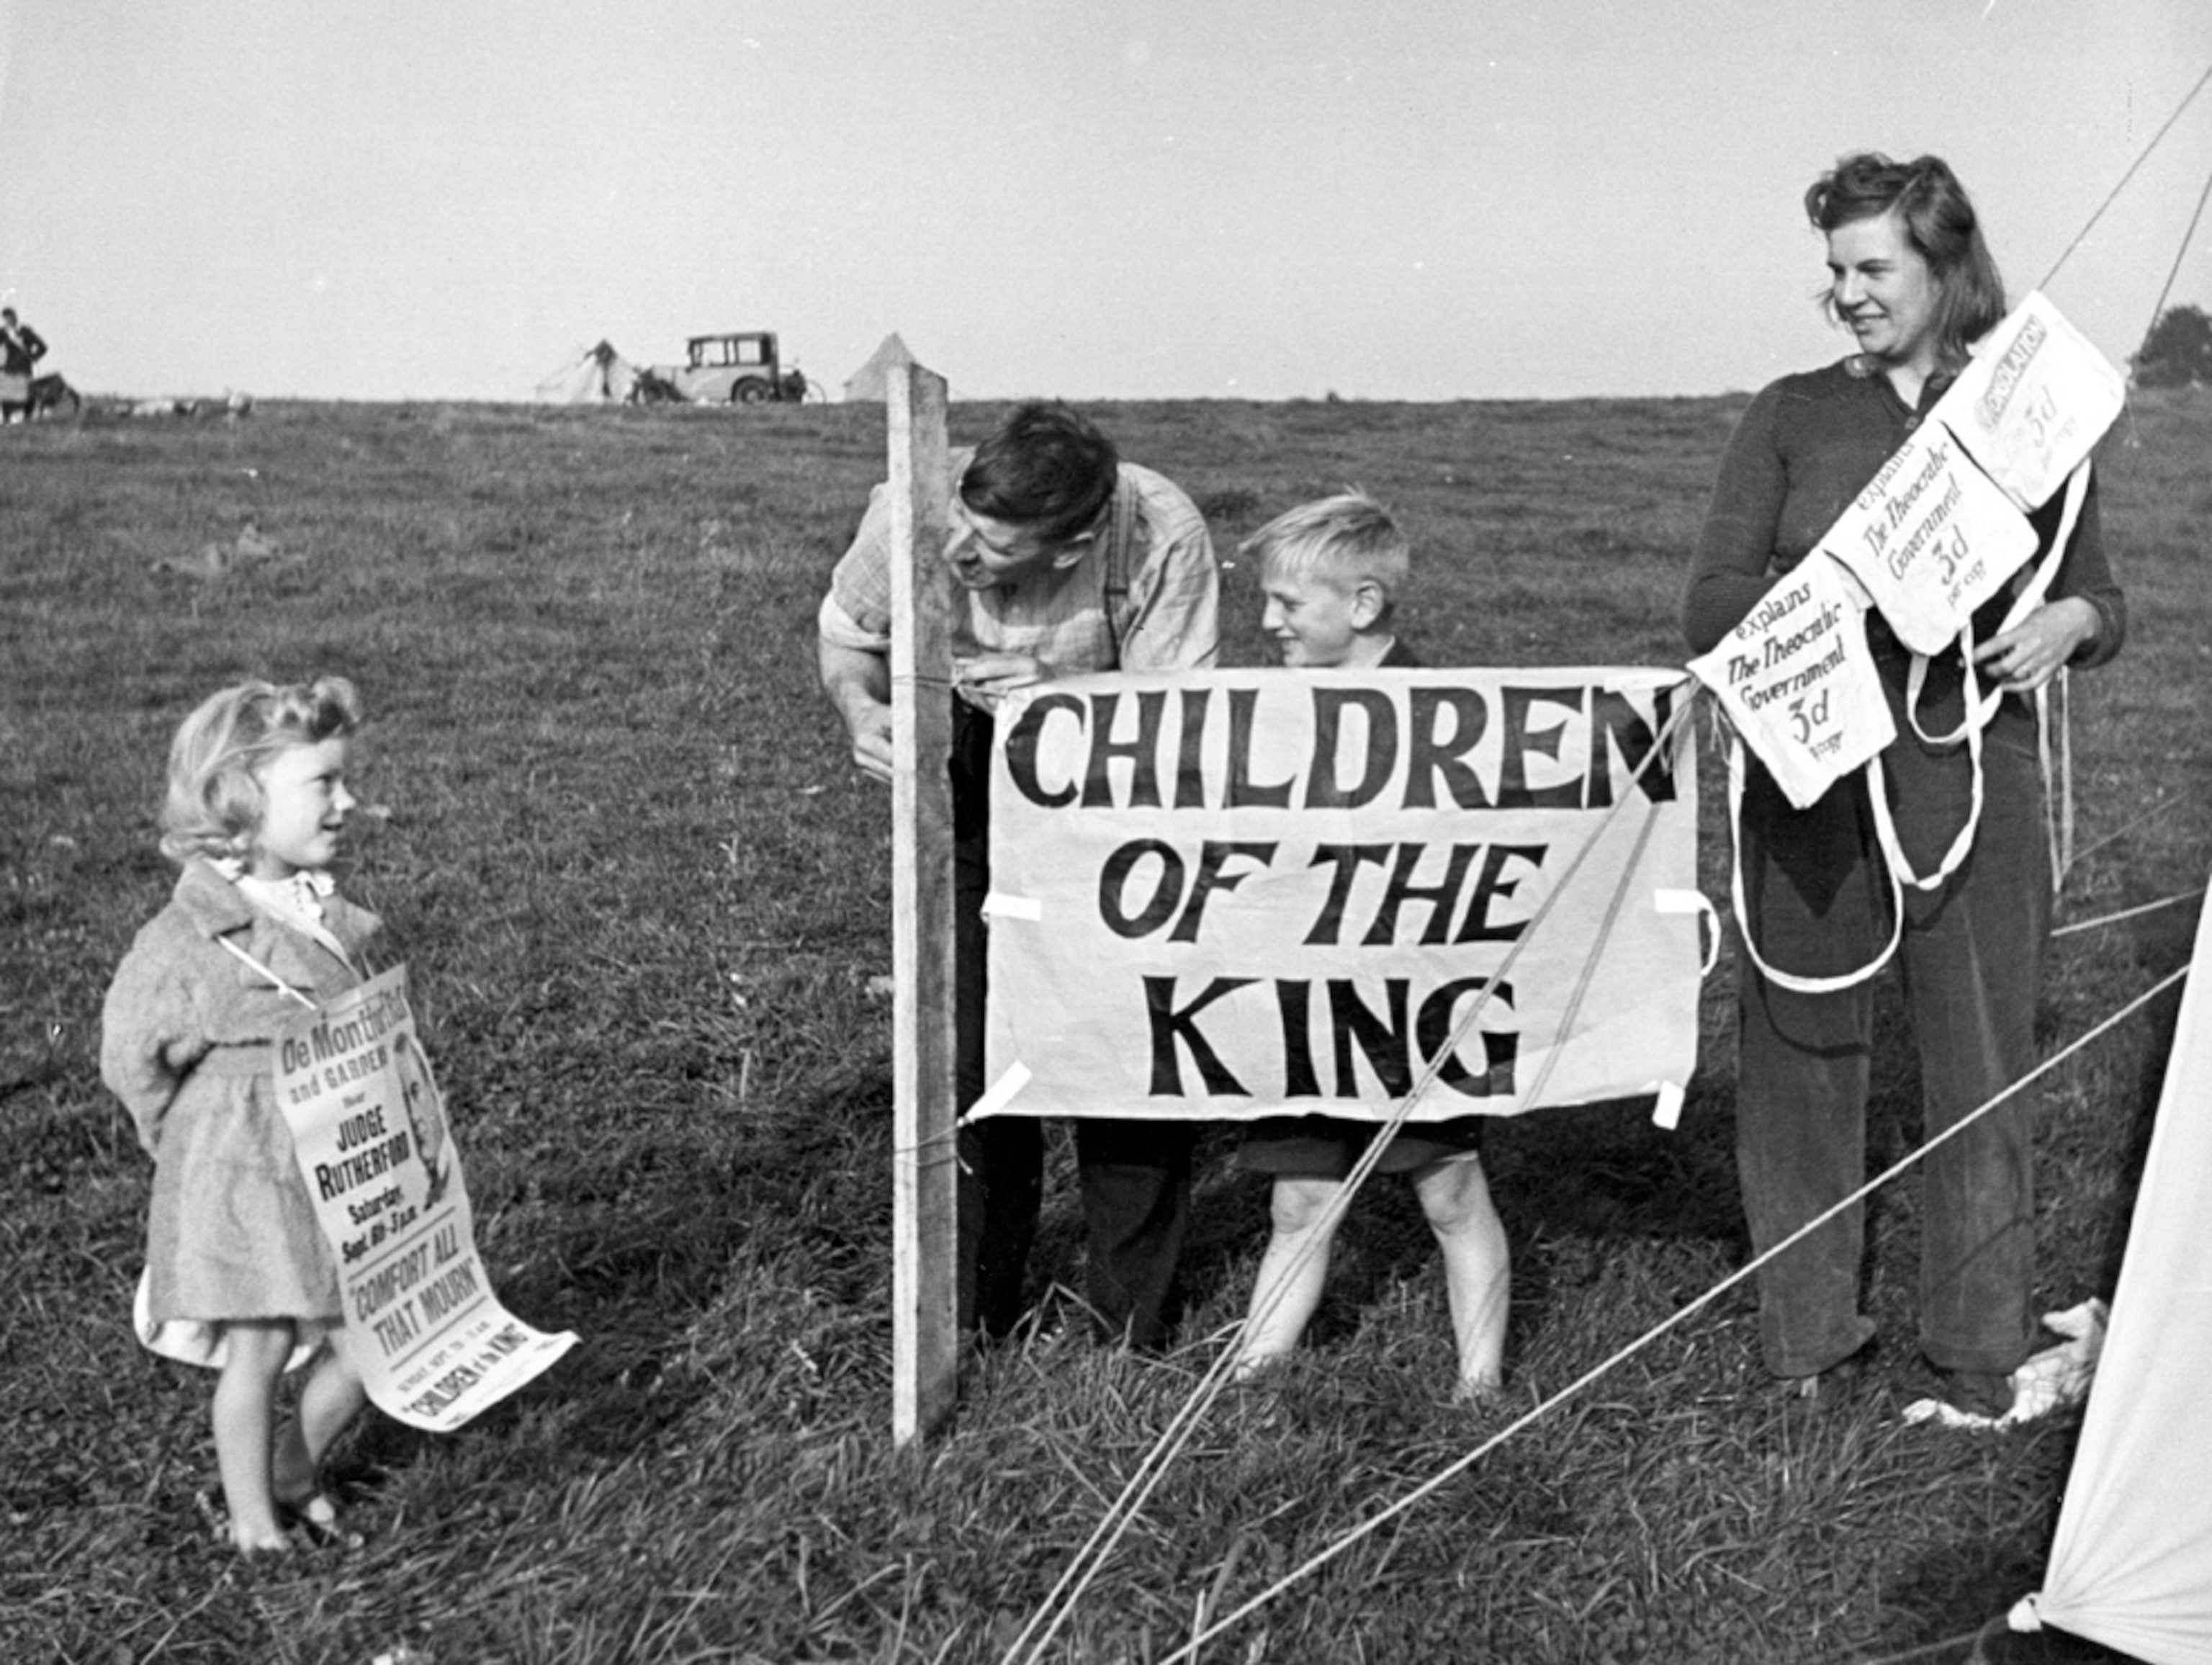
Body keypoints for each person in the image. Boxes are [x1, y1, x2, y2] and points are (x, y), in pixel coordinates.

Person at [1681, 153, 2126, 1417]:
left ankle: (1977, 1341)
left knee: (1979, 1057)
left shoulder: (2018, 414)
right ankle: (1804, 1337)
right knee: (1799, 1052)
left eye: (1873, 268)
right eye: (1835, 271)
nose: (1849, 294)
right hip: (1808, 772)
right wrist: (1827, 614)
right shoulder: (1784, 413)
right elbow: (1710, 601)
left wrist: (2072, 622)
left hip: (1966, 770)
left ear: (1946, 268)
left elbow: (2101, 590)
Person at [818, 400, 1220, 1347]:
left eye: (994, 548)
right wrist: (859, 713)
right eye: (962, 522)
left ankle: (1132, 1327)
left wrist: (1057, 709)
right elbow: (845, 637)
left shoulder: (1160, 533)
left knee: (1121, 1045)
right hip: (957, 760)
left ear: (1073, 543)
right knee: (965, 1046)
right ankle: (977, 1308)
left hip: (1116, 787)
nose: (959, 552)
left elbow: (1180, 725)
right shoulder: (907, 508)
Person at [1228, 493, 1511, 1397]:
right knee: (1300, 1196)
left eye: (1288, 605)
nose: (1267, 621)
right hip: (1309, 996)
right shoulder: (1266, 708)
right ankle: (1250, 1377)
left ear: (1362, 606)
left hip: (1411, 998)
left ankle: (1481, 1384)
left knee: (1450, 1189)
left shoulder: (1442, 710)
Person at [102, 677, 378, 1551]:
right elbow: (132, 1053)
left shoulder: (321, 909)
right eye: (323, 784)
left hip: (336, 1149)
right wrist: (180, 1142)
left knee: (372, 1340)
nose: (348, 801)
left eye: (344, 779)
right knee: (257, 1347)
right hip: (245, 1162)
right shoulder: (192, 937)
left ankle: (294, 1466)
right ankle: (254, 1522)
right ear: (243, 800)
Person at [1, 306, 48, 423]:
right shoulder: (3, 333)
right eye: (6, 318)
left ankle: (28, 418)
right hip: (9, 368)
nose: (9, 320)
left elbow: (43, 347)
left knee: (27, 395)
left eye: (10, 317)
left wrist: (34, 357)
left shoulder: (25, 332)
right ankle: (7, 419)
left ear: (15, 317)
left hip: (24, 367)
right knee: (6, 395)